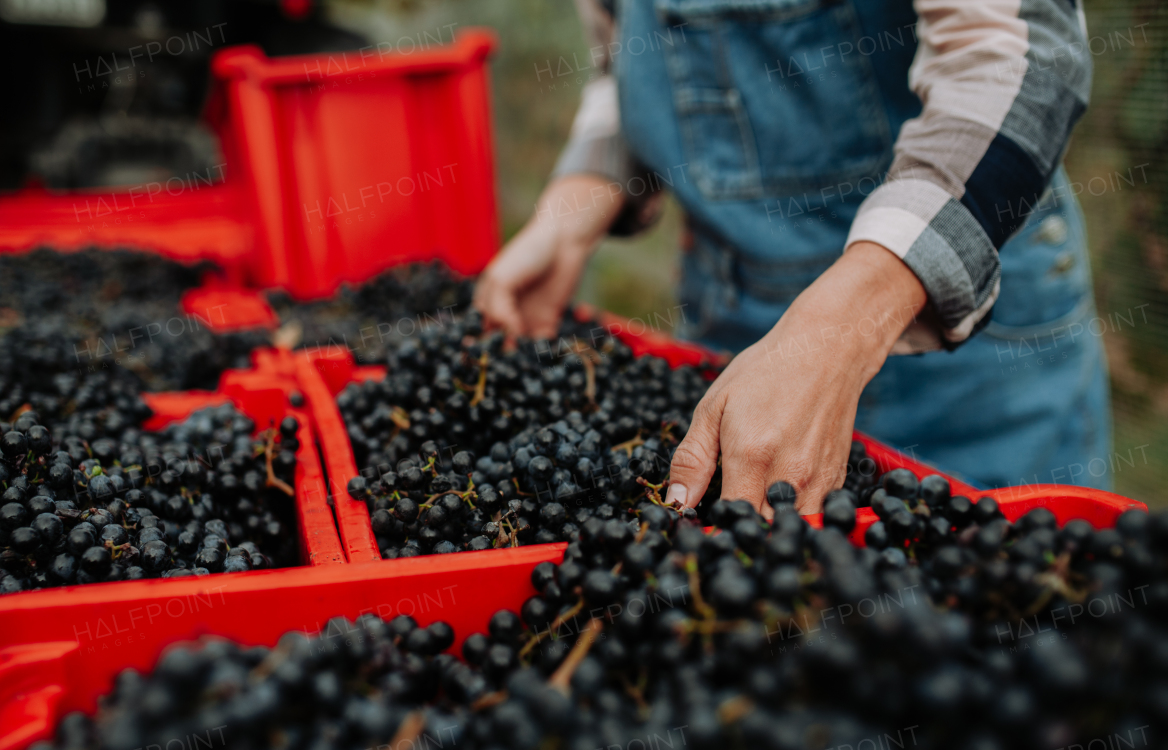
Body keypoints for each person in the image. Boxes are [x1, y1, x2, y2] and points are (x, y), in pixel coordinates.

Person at [474, 0, 1109, 517]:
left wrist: (839, 328)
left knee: (982, 635)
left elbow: (1020, 57)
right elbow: (631, 62)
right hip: (735, 328)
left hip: (963, 353)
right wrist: (575, 204)